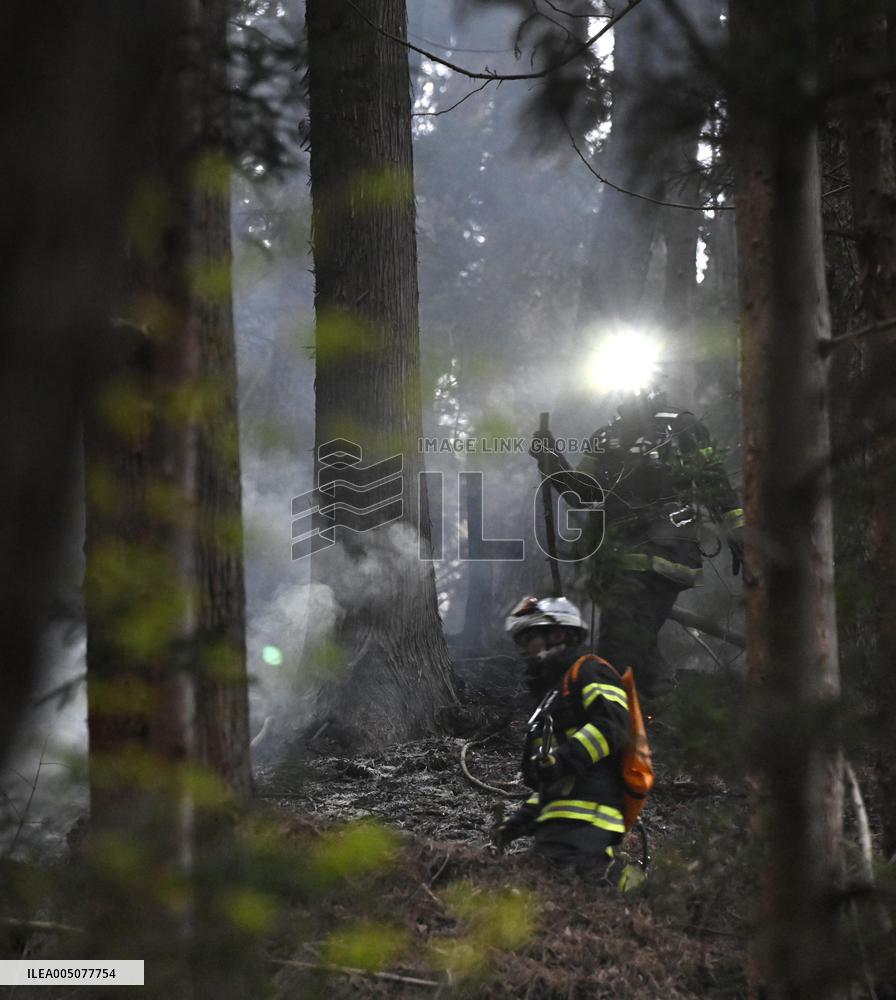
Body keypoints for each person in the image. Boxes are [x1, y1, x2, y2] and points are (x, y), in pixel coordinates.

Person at [531, 388, 744, 697]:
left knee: (616, 650)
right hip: (620, 559)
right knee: (638, 652)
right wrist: (551, 458)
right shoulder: (605, 436)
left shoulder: (681, 425)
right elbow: (584, 495)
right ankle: (657, 713)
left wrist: (738, 531)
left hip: (666, 555)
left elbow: (714, 480)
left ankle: (607, 723)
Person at [492, 595, 629, 875]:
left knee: (582, 901)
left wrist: (562, 758)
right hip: (557, 825)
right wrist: (517, 823)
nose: (524, 649)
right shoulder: (552, 694)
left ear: (557, 635)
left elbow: (612, 725)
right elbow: (553, 778)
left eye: (530, 638)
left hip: (590, 820)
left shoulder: (590, 670)